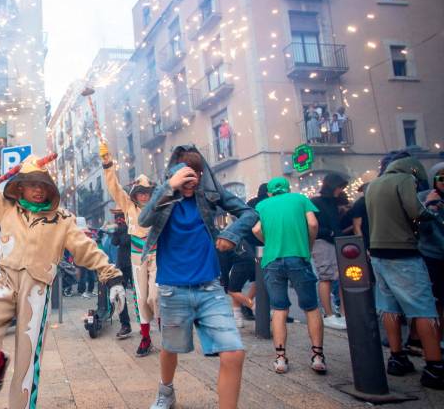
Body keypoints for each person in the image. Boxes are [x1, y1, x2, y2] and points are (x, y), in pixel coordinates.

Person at [0, 128, 125, 408]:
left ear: (50, 188)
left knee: (26, 366)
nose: (38, 189)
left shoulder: (62, 219)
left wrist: (111, 276)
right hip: (3, 282)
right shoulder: (5, 207)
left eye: (43, 184)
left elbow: (85, 248)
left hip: (37, 291)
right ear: (20, 187)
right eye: (31, 183)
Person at [139, 144, 256, 409]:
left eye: (197, 174)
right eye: (184, 173)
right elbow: (145, 220)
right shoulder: (166, 197)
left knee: (234, 353)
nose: (191, 181)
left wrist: (230, 234)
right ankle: (166, 391)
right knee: (170, 348)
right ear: (174, 172)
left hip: (210, 288)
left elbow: (249, 212)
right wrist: (170, 186)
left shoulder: (210, 195)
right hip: (172, 288)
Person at [365, 155, 444, 388]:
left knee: (389, 307)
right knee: (423, 308)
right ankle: (434, 367)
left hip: (378, 252)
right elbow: (417, 213)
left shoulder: (373, 185)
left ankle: (397, 357)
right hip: (403, 252)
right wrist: (430, 205)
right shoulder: (404, 180)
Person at [252, 177, 325, 374]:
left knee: (279, 308)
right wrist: (307, 244)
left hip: (272, 260)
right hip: (298, 256)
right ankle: (317, 356)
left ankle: (281, 358)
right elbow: (312, 224)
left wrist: (270, 240)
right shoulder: (300, 199)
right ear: (287, 188)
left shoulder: (263, 204)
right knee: (310, 307)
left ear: (269, 192)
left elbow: (256, 229)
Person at [100, 141, 158, 355]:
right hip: (136, 256)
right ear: (135, 194)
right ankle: (145, 337)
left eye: (147, 192)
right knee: (141, 298)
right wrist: (107, 164)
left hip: (156, 253)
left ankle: (162, 326)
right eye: (140, 192)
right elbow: (114, 187)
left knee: (155, 296)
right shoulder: (128, 206)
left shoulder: (158, 206)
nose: (144, 195)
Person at [309, 173, 348, 330]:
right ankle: (329, 314)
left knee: (339, 278)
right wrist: (330, 233)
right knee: (326, 278)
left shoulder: (333, 203)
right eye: (339, 187)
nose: (341, 190)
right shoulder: (317, 202)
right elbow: (313, 225)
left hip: (333, 242)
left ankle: (341, 313)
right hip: (323, 243)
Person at [418, 162, 444, 338]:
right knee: (436, 300)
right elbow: (422, 227)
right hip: (432, 255)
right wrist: (430, 207)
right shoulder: (424, 197)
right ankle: (437, 338)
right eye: (441, 178)